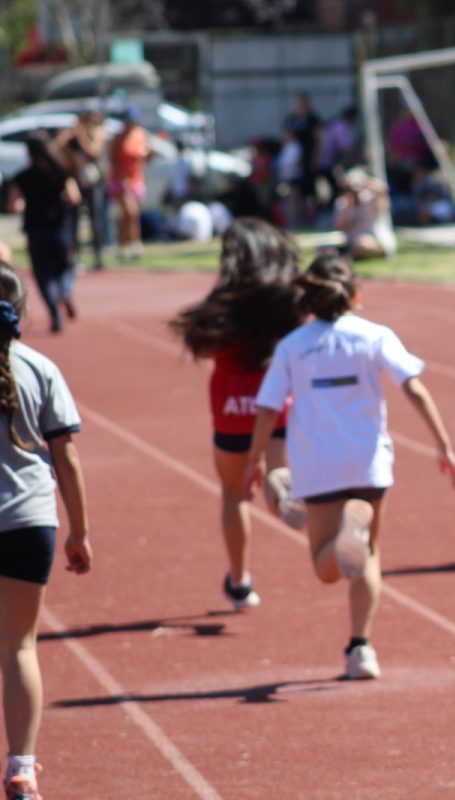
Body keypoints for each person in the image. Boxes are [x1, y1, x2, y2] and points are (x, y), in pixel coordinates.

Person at [243, 254, 455, 679]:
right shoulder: (375, 336)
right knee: (368, 556)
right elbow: (413, 387)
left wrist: (255, 463)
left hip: (318, 466)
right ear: (355, 296)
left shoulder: (293, 345)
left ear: (307, 298)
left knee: (328, 569)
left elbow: (268, 409)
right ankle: (361, 648)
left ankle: (345, 537)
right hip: (369, 463)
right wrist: (443, 445)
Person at [169, 219, 305, 610]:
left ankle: (240, 581)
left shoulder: (223, 307)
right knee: (278, 475)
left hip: (231, 410)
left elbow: (205, 348)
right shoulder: (286, 300)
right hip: (276, 405)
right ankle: (292, 505)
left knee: (234, 494)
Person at [0, 261, 93, 800]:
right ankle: (21, 767)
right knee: (18, 647)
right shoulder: (40, 366)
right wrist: (80, 531)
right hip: (28, 520)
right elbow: (68, 458)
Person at [6, 132, 81, 333]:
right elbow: (74, 197)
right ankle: (65, 292)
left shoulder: (23, 177)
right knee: (66, 266)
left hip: (36, 230)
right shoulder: (62, 172)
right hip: (60, 228)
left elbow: (13, 205)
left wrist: (25, 204)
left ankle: (55, 315)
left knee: (43, 275)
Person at [56, 109, 107, 271]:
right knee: (73, 218)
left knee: (95, 216)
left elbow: (93, 151)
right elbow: (57, 148)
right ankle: (74, 255)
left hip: (93, 181)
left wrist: (82, 136)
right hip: (77, 180)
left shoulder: (96, 132)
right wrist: (68, 136)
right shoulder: (72, 134)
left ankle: (98, 255)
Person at [108, 107, 151, 262]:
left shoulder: (140, 135)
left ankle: (123, 246)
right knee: (130, 213)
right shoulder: (118, 139)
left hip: (137, 179)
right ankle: (135, 245)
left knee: (131, 216)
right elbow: (113, 161)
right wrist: (123, 179)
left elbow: (148, 154)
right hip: (121, 180)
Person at [335, 169, 396, 260]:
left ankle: (349, 256)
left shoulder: (371, 199)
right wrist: (349, 207)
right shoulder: (343, 203)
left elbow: (383, 189)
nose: (355, 192)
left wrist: (364, 181)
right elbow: (341, 228)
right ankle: (349, 254)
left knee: (362, 244)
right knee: (322, 250)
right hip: (351, 244)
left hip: (377, 242)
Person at [282, 93, 322, 226]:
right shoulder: (291, 119)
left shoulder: (313, 119)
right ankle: (296, 219)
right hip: (294, 163)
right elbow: (286, 138)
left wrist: (315, 158)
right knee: (293, 191)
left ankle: (311, 218)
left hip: (308, 161)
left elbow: (318, 140)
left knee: (310, 192)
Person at [319, 105, 359, 200]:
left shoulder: (337, 124)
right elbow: (346, 148)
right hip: (327, 161)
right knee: (338, 187)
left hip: (326, 160)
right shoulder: (341, 126)